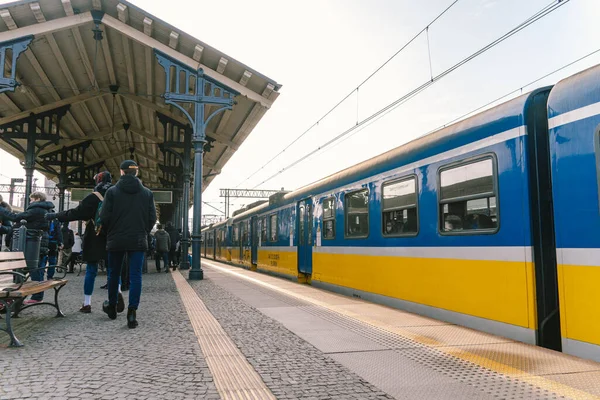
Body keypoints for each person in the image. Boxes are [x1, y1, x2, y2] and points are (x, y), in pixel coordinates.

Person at [45, 171, 124, 313]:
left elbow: (75, 213)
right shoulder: (118, 195)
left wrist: (55, 215)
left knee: (91, 270)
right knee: (114, 269)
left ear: (97, 181)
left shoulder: (94, 197)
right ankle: (117, 293)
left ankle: (87, 303)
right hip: (113, 235)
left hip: (94, 236)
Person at [100, 160, 156, 329]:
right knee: (135, 275)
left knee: (113, 273)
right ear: (136, 173)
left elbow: (104, 217)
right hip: (137, 239)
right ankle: (132, 313)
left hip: (116, 238)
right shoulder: (147, 193)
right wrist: (143, 230)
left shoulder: (111, 192)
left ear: (122, 172)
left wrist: (111, 231)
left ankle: (111, 306)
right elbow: (152, 218)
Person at [0, 192, 55, 303]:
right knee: (36, 268)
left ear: (37, 199)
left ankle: (34, 297)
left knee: (34, 269)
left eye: (32, 199)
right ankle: (30, 297)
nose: (30, 201)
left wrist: (1, 209)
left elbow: (15, 217)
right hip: (38, 241)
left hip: (32, 242)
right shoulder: (45, 209)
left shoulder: (36, 210)